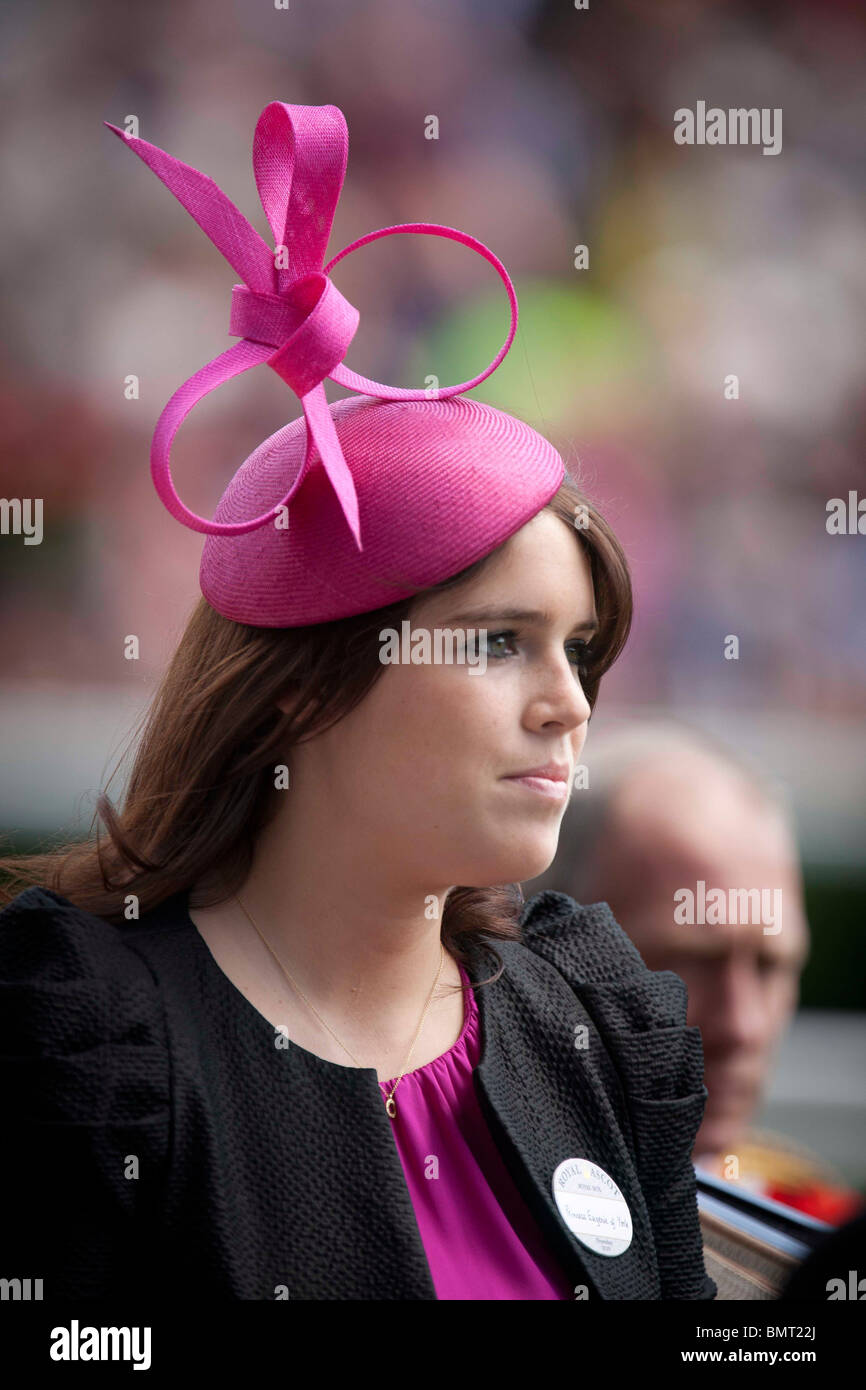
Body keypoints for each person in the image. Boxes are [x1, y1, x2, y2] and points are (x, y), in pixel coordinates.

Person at [0, 101, 716, 1302]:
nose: (568, 705)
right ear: (299, 693)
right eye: (497, 642)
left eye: (579, 650)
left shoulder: (593, 1018)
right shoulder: (87, 1041)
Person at [526, 720, 863, 1226]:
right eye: (686, 964)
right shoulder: (466, 1213)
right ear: (538, 943)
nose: (742, 1026)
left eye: (771, 966)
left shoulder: (813, 1220)